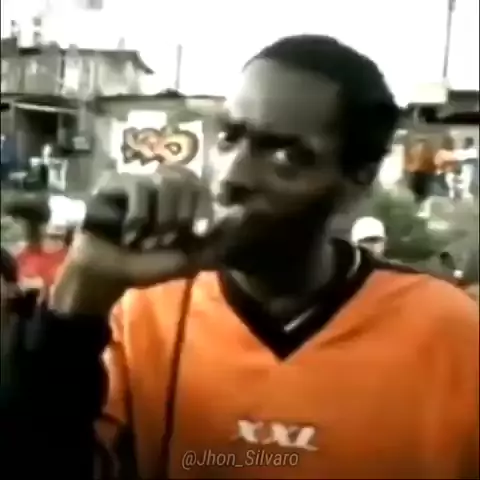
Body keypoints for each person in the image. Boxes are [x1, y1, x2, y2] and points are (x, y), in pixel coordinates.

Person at [4, 35, 480, 480]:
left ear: (358, 179)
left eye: (286, 156)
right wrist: (80, 293)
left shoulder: (452, 333)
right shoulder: (140, 311)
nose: (231, 177)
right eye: (230, 137)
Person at [403, 137, 436, 205]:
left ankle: (420, 199)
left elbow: (431, 162)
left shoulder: (423, 151)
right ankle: (419, 198)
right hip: (419, 172)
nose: (422, 147)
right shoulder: (416, 151)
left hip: (422, 172)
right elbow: (409, 160)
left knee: (421, 187)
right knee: (418, 186)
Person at [435, 134, 461, 201]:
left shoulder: (453, 152)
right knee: (448, 188)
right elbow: (437, 163)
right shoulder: (441, 152)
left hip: (451, 173)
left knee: (452, 187)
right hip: (443, 173)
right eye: (451, 142)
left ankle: (452, 198)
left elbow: (457, 162)